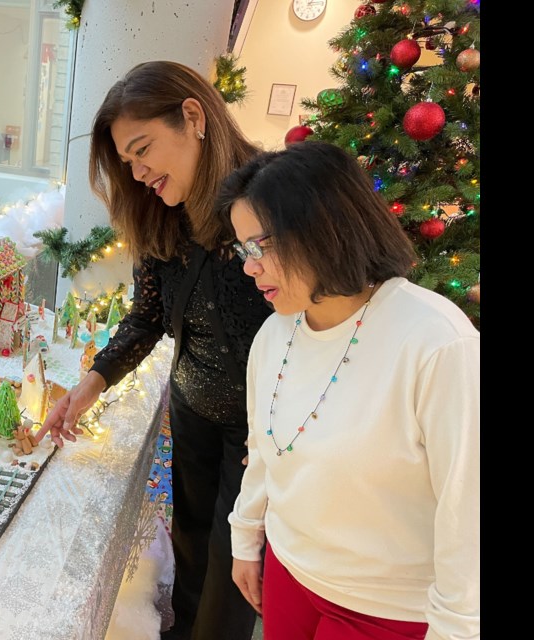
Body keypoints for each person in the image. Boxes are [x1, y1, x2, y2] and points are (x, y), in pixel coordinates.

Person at [36, 60, 272, 640]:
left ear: (192, 116)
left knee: (232, 571)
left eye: (143, 150)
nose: (139, 173)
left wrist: (282, 436)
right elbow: (145, 319)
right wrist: (86, 388)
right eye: (128, 162)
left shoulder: (268, 200)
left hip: (261, 432)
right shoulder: (160, 216)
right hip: (192, 410)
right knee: (191, 549)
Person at [219, 141, 479, 640]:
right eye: (242, 249)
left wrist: (458, 629)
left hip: (388, 607)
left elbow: (468, 510)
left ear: (323, 228)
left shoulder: (436, 342)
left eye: (261, 247)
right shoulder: (276, 333)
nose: (249, 267)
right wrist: (245, 538)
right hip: (289, 573)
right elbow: (264, 449)